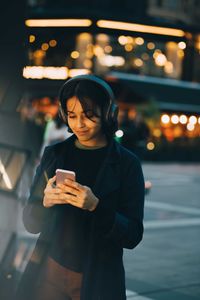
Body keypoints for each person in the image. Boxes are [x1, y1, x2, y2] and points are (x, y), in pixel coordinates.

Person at [16, 74, 145, 300]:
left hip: (98, 275)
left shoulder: (127, 163)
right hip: (49, 268)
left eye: (89, 115)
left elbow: (133, 235)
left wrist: (96, 206)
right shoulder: (54, 155)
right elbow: (30, 223)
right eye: (72, 115)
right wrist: (43, 202)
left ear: (107, 113)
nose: (79, 124)